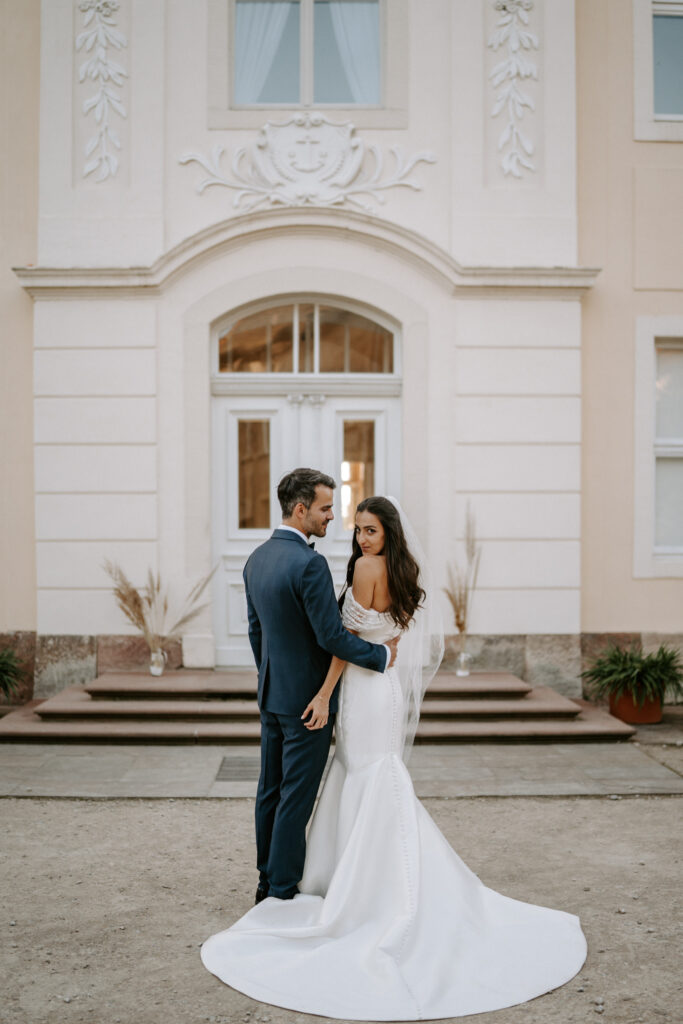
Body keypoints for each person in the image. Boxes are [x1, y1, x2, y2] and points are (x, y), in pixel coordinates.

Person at [201, 495, 587, 1021]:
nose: (361, 538)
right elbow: (386, 632)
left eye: (371, 530)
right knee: (371, 773)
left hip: (361, 687)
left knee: (363, 774)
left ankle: (354, 888)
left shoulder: (363, 569)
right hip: (382, 687)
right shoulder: (401, 572)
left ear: (388, 533)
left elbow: (341, 640)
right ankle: (373, 879)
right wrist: (378, 655)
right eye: (358, 529)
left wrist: (323, 693)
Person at [240, 468, 399, 905]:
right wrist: (381, 656)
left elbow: (256, 633)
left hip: (272, 695)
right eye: (326, 508)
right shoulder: (309, 564)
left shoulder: (256, 559)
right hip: (310, 703)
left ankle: (265, 881)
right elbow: (331, 637)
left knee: (269, 791)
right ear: (300, 509)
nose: (332, 516)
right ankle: (281, 890)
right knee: (296, 797)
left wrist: (271, 679)